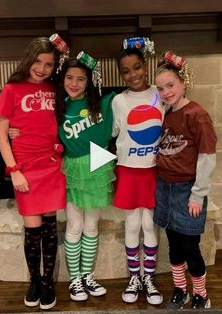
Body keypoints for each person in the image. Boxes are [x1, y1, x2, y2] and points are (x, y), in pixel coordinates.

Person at [0, 37, 66, 310]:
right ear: (29, 60)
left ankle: (48, 282)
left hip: (51, 166)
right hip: (24, 169)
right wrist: (14, 171)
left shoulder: (55, 89)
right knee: (32, 230)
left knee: (49, 229)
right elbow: (1, 134)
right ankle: (34, 281)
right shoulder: (12, 89)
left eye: (49, 64)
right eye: (38, 61)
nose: (42, 68)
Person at [153, 51, 217, 309]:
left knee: (191, 247)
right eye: (160, 88)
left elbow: (207, 157)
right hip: (164, 189)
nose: (166, 92)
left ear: (183, 82)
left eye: (170, 85)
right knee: (174, 246)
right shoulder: (165, 114)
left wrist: (197, 194)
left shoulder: (197, 114)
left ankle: (201, 293)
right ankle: (181, 290)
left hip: (186, 190)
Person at [54, 50, 116, 301]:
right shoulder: (58, 107)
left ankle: (87, 275)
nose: (74, 83)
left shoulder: (101, 103)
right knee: (74, 225)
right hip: (72, 168)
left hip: (98, 166)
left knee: (91, 226)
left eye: (81, 78)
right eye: (69, 77)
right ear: (62, 79)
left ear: (89, 81)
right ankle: (75, 279)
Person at [111, 37, 164, 305]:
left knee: (149, 224)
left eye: (137, 67)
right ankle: (135, 277)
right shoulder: (118, 101)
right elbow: (107, 133)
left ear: (146, 66)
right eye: (126, 70)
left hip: (154, 170)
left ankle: (149, 278)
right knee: (132, 223)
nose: (133, 74)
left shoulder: (160, 93)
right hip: (129, 171)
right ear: (121, 74)